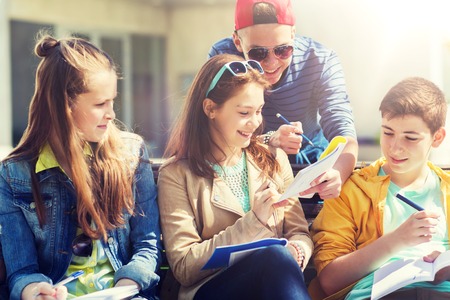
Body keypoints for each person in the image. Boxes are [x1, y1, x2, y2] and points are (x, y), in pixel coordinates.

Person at [0, 33, 161, 300]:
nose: (111, 113)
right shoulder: (13, 175)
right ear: (63, 106)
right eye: (100, 104)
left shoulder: (130, 154)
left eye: (112, 101)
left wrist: (127, 285)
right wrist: (34, 291)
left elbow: (147, 245)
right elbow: (22, 269)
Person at [157, 53, 313, 300]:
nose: (255, 122)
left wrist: (298, 251)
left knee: (277, 257)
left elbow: (299, 232)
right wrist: (255, 222)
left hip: (272, 286)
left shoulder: (274, 159)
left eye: (259, 111)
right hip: (211, 290)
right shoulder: (176, 175)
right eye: (244, 113)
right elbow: (185, 266)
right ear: (210, 109)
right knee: (274, 257)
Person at [310, 77, 450, 299]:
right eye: (388, 132)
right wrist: (397, 240)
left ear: (437, 137)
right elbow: (329, 281)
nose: (395, 147)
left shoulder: (447, 190)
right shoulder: (351, 190)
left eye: (410, 138)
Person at [208, 0, 358, 200]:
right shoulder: (223, 58)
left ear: (293, 35)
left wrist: (338, 173)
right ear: (237, 42)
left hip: (310, 164)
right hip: (247, 164)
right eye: (258, 53)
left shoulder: (320, 59)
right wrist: (270, 141)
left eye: (282, 50)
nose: (271, 63)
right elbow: (213, 130)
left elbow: (343, 130)